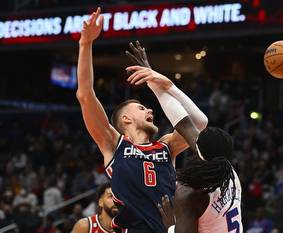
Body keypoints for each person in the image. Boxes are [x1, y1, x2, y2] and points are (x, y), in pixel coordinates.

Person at [77, 7, 207, 233]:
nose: (150, 110)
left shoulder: (167, 146)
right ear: (125, 119)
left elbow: (199, 124)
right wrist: (85, 44)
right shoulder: (113, 144)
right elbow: (85, 95)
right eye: (141, 107)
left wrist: (164, 84)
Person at [157, 127, 243, 233]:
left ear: (198, 153)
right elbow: (185, 126)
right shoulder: (231, 174)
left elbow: (185, 125)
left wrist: (170, 226)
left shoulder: (189, 194)